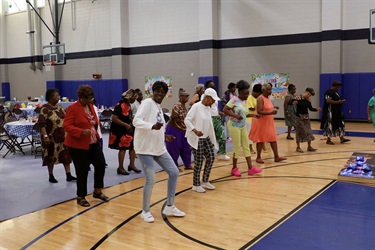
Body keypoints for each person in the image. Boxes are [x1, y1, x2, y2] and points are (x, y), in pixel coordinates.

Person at [133, 81, 186, 223]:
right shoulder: (147, 103)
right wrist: (152, 126)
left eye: (162, 92)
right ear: (152, 92)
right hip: (144, 149)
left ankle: (169, 206)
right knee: (151, 179)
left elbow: (158, 126)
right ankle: (145, 211)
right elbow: (136, 121)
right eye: (157, 91)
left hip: (158, 148)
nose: (159, 94)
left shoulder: (158, 107)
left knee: (174, 172)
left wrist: (164, 136)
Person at [63, 85, 109, 207]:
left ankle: (97, 191)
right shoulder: (73, 108)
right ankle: (81, 196)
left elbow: (93, 121)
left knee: (100, 164)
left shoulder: (91, 107)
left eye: (91, 98)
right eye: (88, 98)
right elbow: (66, 126)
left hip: (93, 142)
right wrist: (80, 131)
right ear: (81, 97)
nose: (90, 100)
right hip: (77, 145)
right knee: (82, 170)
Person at [224, 80, 263, 177]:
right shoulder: (234, 99)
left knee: (246, 146)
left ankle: (251, 168)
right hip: (233, 125)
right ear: (240, 92)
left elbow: (244, 114)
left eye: (247, 94)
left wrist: (254, 115)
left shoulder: (244, 101)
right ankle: (234, 168)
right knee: (237, 147)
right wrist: (235, 116)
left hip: (242, 125)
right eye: (245, 94)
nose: (247, 96)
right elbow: (225, 109)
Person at [185, 88, 219, 193]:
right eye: (213, 100)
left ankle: (205, 181)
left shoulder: (208, 108)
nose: (214, 102)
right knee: (199, 161)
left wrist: (213, 105)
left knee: (211, 157)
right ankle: (195, 184)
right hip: (196, 137)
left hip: (206, 137)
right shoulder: (196, 107)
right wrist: (195, 130)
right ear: (207, 97)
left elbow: (214, 114)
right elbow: (187, 120)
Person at [38, 88, 76, 183]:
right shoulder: (44, 109)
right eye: (57, 96)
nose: (58, 97)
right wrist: (45, 136)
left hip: (62, 137)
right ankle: (51, 175)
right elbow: (42, 124)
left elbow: (66, 118)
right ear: (51, 98)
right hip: (50, 138)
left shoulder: (59, 107)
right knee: (50, 156)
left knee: (65, 155)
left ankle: (68, 174)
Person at [249, 83, 287, 163]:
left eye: (271, 89)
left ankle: (276, 157)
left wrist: (274, 108)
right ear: (263, 90)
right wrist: (271, 113)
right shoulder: (260, 98)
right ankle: (258, 157)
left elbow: (268, 108)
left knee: (273, 138)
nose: (270, 91)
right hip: (261, 122)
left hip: (269, 121)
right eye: (269, 89)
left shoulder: (268, 98)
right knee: (260, 139)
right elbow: (259, 111)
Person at [109, 89, 141, 175]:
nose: (135, 100)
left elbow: (127, 116)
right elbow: (114, 118)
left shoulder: (128, 105)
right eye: (134, 98)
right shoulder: (119, 105)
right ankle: (120, 167)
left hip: (128, 128)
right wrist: (126, 125)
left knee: (133, 146)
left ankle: (132, 165)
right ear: (129, 97)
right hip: (119, 129)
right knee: (122, 148)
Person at [165, 88, 192, 171]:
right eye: (185, 96)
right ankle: (174, 167)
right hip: (174, 129)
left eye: (188, 96)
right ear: (180, 97)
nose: (187, 98)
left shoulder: (184, 107)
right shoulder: (177, 106)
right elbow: (174, 117)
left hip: (183, 130)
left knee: (186, 148)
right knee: (174, 149)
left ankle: (187, 165)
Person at [205, 80, 230, 160]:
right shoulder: (204, 97)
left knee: (222, 137)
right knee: (210, 138)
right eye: (211, 86)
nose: (213, 87)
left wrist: (221, 113)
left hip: (217, 118)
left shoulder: (215, 97)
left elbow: (215, 108)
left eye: (213, 86)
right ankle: (208, 155)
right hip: (209, 119)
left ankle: (221, 154)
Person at [290, 88, 321, 153]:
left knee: (308, 131)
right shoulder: (298, 97)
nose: (308, 96)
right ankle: (298, 147)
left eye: (310, 95)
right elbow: (290, 102)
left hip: (306, 116)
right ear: (306, 91)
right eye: (308, 94)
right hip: (299, 116)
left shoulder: (308, 100)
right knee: (299, 131)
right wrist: (293, 102)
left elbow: (310, 108)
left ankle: (309, 146)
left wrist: (316, 109)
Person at [320, 80, 350, 145]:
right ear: (334, 86)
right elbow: (328, 101)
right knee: (330, 125)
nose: (338, 88)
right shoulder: (328, 92)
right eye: (337, 87)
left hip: (337, 112)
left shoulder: (336, 92)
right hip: (330, 112)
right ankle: (328, 139)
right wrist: (340, 102)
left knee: (340, 124)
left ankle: (342, 138)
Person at [246, 84, 262, 154]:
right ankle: (250, 148)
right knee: (249, 134)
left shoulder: (257, 98)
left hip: (256, 119)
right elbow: (250, 107)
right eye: (259, 93)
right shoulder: (250, 97)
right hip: (249, 119)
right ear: (256, 92)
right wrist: (259, 107)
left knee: (255, 133)